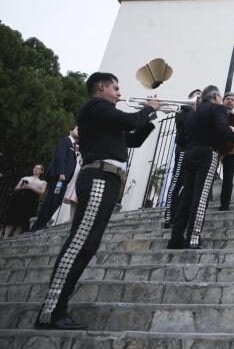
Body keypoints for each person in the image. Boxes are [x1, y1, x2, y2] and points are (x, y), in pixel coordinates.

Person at [35, 72, 159, 330]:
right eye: (115, 88)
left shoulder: (104, 120)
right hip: (99, 177)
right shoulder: (96, 107)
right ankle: (51, 311)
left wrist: (150, 118)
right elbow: (129, 120)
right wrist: (148, 108)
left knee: (88, 244)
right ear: (101, 87)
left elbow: (133, 139)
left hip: (108, 179)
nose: (119, 93)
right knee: (80, 241)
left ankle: (57, 308)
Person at [168, 86, 234, 249]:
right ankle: (193, 239)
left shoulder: (192, 113)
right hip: (207, 155)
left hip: (189, 154)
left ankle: (175, 238)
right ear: (216, 96)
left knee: (186, 197)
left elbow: (180, 138)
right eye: (221, 97)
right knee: (200, 198)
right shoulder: (217, 109)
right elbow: (223, 130)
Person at [163, 89, 201, 228]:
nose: (199, 98)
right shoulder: (182, 110)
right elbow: (183, 128)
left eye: (201, 96)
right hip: (184, 150)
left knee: (189, 185)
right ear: (190, 98)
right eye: (196, 95)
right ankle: (169, 217)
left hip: (194, 151)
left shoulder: (200, 113)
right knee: (176, 181)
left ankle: (180, 215)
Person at [32, 127, 78, 231]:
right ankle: (38, 225)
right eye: (77, 129)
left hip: (65, 179)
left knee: (56, 201)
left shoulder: (73, 146)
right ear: (70, 131)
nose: (79, 131)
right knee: (51, 199)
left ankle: (42, 223)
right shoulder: (65, 141)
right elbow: (60, 157)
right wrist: (61, 173)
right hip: (59, 177)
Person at [3, 164, 47, 238]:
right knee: (12, 218)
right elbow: (16, 188)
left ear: (41, 171)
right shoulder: (25, 178)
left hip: (31, 202)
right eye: (34, 168)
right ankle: (5, 237)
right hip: (20, 199)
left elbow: (42, 192)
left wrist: (31, 187)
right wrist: (23, 187)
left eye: (38, 168)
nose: (35, 169)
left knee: (23, 220)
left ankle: (15, 238)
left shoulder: (43, 182)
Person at [220, 92, 234, 210]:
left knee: (228, 178)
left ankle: (225, 204)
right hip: (216, 147)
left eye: (233, 100)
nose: (230, 101)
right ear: (223, 101)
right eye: (228, 99)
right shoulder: (217, 113)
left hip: (231, 150)